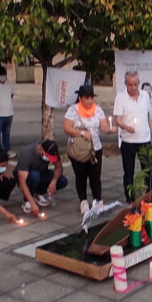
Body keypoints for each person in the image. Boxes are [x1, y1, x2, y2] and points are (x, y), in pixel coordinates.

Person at [64, 84, 113, 215]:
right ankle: (83, 201)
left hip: (95, 148)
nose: (90, 100)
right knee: (81, 176)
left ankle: (98, 200)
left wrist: (108, 129)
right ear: (80, 98)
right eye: (87, 98)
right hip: (79, 149)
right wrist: (81, 133)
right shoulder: (73, 111)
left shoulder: (97, 110)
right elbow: (67, 128)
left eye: (91, 97)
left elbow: (103, 125)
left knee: (95, 176)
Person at [114, 72, 152, 202]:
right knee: (129, 172)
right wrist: (126, 127)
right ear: (126, 84)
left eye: (135, 84)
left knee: (148, 169)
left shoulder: (144, 96)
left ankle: (150, 194)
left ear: (138, 83)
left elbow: (148, 115)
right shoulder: (120, 98)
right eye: (130, 85)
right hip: (128, 141)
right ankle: (130, 198)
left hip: (144, 140)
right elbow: (118, 120)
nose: (132, 87)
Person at [15, 139, 67, 215]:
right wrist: (32, 204)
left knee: (62, 180)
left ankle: (38, 193)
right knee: (34, 177)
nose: (49, 159)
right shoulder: (27, 154)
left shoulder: (53, 151)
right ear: (41, 149)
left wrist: (54, 181)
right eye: (48, 157)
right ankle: (28, 200)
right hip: (27, 176)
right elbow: (22, 182)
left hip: (42, 172)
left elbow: (59, 167)